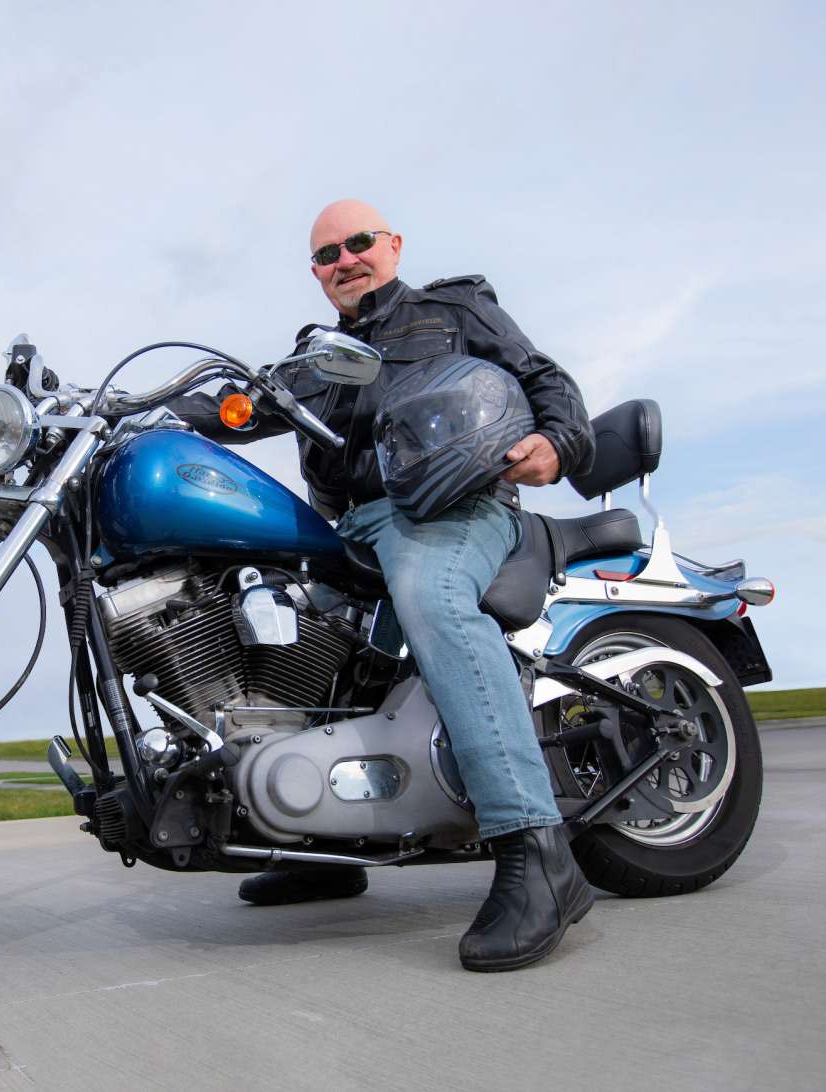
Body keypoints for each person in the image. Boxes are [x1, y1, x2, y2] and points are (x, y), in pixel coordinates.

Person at [171, 199, 598, 972]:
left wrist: (556, 443)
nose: (345, 261)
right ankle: (313, 838)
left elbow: (546, 381)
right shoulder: (315, 358)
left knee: (431, 599)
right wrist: (150, 409)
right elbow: (243, 409)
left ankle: (539, 853)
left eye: (358, 243)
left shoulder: (453, 309)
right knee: (279, 619)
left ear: (393, 245)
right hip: (353, 527)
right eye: (327, 255)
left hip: (451, 507)